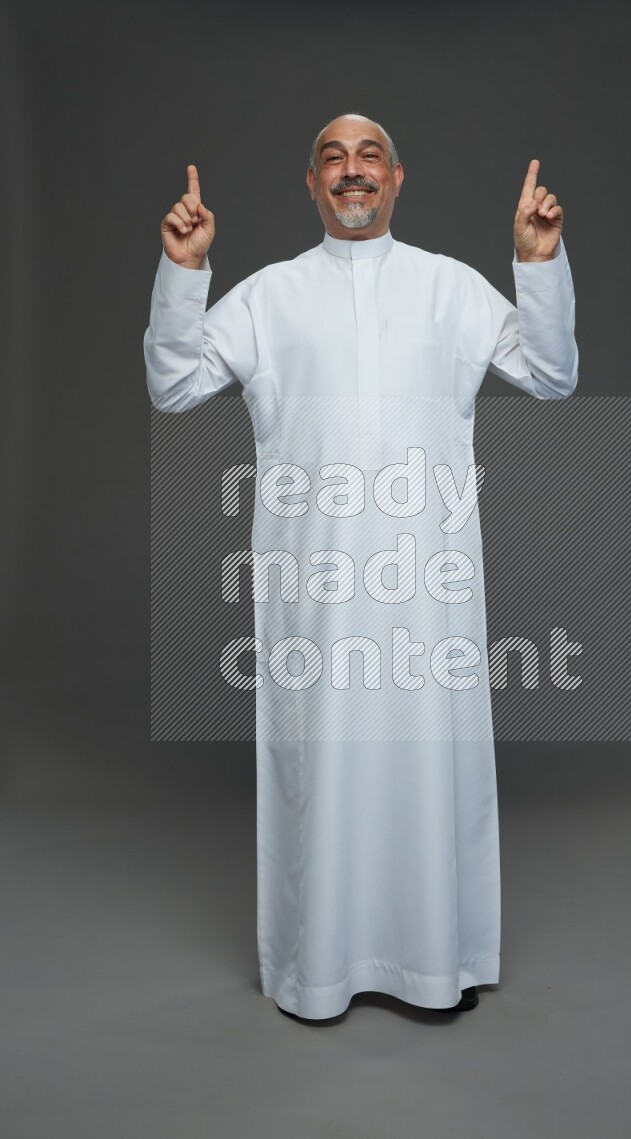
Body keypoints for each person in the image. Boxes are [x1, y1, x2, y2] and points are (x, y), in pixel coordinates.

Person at [143, 113, 578, 1020]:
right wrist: (184, 274)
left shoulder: (450, 288)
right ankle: (320, 970)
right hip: (316, 593)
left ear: (397, 178)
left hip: (428, 588)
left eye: (369, 155)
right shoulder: (267, 297)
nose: (352, 170)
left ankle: (438, 962)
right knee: (324, 767)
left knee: (430, 763)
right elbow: (174, 385)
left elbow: (551, 373)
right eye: (333, 158)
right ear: (311, 184)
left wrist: (535, 264)